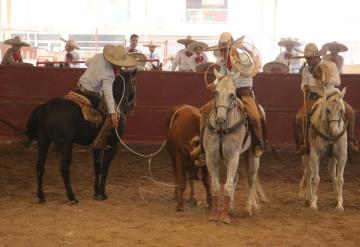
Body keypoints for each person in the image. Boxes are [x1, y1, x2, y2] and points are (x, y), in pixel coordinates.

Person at [191, 32, 265, 158]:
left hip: (244, 92)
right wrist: (213, 84)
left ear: (231, 47)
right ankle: (203, 144)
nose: (222, 52)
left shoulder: (245, 58)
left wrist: (236, 61)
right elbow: (220, 75)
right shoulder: (223, 62)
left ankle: (259, 143)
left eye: (224, 50)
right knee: (204, 110)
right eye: (221, 50)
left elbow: (251, 69)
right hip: (227, 93)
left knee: (255, 117)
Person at [293, 43, 358, 154]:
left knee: (350, 112)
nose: (308, 61)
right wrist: (305, 87)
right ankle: (303, 144)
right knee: (299, 118)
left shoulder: (330, 65)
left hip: (331, 96)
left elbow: (337, 81)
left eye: (310, 59)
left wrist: (322, 77)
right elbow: (303, 83)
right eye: (307, 59)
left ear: (318, 57)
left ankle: (351, 141)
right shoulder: (305, 70)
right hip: (314, 97)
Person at [76, 45, 137, 149]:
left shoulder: (98, 56)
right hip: (91, 94)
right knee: (113, 116)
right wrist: (113, 114)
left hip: (78, 86)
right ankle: (98, 141)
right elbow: (108, 94)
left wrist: (95, 70)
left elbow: (87, 63)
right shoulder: (109, 74)